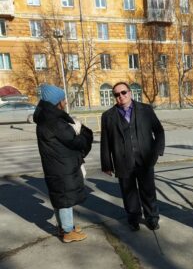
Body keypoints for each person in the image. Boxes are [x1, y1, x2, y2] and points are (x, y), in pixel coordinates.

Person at [101, 82, 165, 231]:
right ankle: (133, 219)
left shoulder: (145, 110)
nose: (121, 96)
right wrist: (107, 164)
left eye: (123, 92)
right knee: (129, 194)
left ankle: (152, 218)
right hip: (123, 161)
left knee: (148, 191)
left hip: (145, 159)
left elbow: (159, 131)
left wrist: (157, 151)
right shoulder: (108, 116)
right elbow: (106, 142)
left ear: (130, 93)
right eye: (116, 94)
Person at [34, 84, 93, 243]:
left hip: (56, 164)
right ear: (57, 102)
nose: (65, 102)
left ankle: (67, 227)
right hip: (61, 166)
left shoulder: (46, 117)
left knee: (61, 196)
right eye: (63, 99)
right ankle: (67, 232)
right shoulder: (54, 120)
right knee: (65, 198)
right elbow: (73, 140)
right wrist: (82, 132)